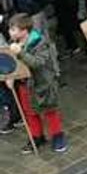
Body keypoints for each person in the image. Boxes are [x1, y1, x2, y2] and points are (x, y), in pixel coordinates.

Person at [8, 12, 67, 154]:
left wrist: (21, 53)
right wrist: (10, 77)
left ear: (24, 30)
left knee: (49, 110)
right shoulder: (14, 44)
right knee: (30, 113)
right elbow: (13, 64)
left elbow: (37, 63)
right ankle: (36, 136)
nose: (10, 32)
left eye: (13, 29)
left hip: (42, 83)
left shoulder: (40, 42)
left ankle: (58, 135)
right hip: (24, 84)